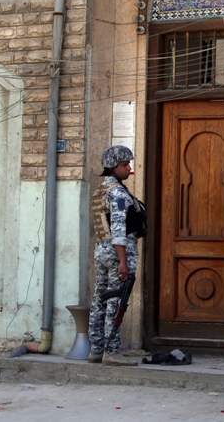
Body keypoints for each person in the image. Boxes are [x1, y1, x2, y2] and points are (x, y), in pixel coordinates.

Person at [87, 145, 142, 366]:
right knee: (115, 302)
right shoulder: (118, 193)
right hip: (116, 252)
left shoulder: (100, 190)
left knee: (99, 299)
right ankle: (111, 351)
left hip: (101, 251)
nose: (128, 168)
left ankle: (96, 349)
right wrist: (123, 262)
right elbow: (118, 229)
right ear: (112, 167)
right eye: (124, 165)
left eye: (129, 164)